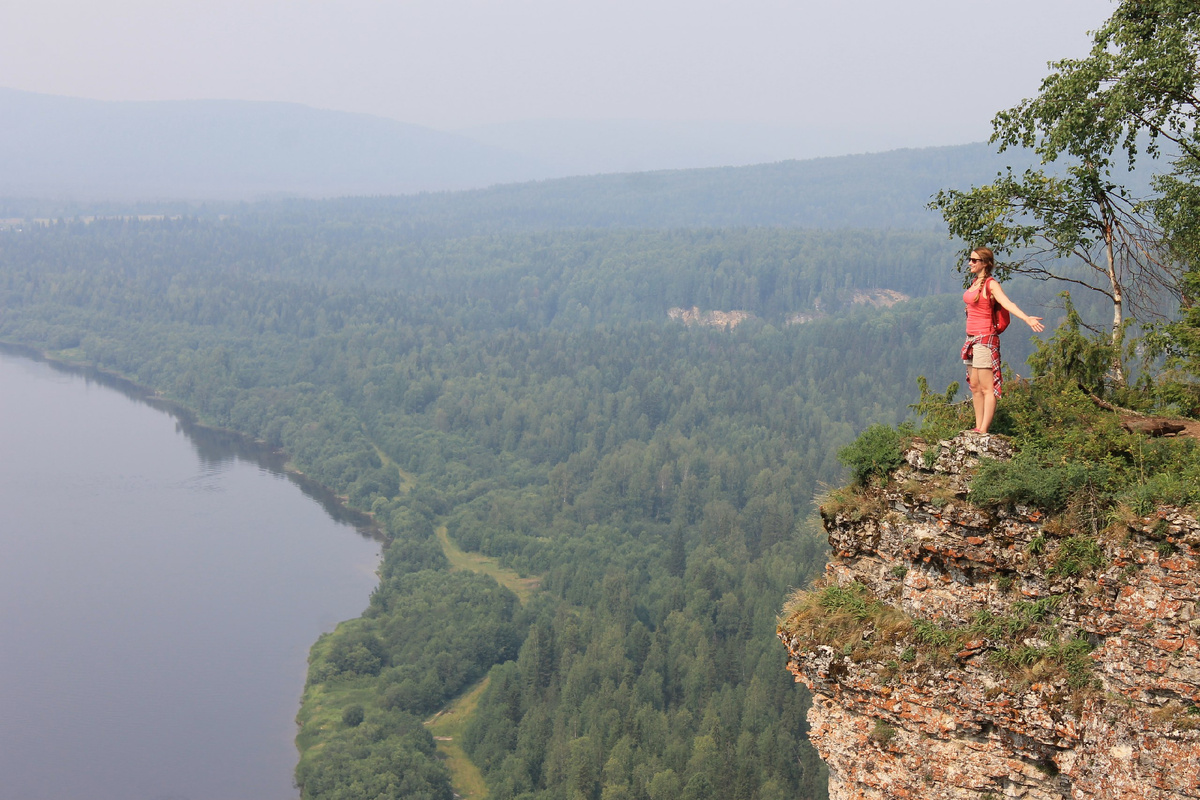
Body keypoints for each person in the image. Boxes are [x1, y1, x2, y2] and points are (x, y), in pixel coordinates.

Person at [962, 247, 1044, 434]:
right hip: (972, 339)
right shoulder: (975, 283)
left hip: (985, 340)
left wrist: (1026, 318)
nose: (970, 263)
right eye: (970, 259)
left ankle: (983, 430)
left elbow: (1007, 303)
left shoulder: (991, 284)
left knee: (986, 387)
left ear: (985, 263)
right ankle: (978, 426)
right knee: (974, 385)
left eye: (974, 260)